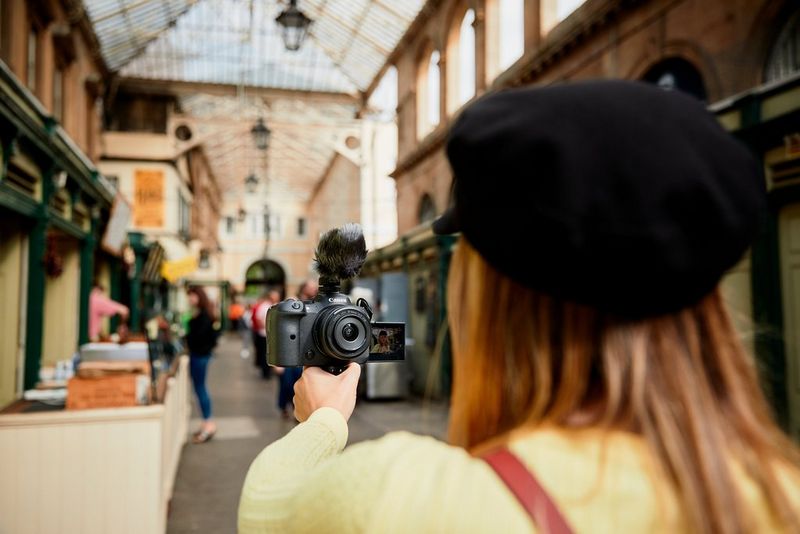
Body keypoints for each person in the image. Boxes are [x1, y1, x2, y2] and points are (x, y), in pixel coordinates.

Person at [238, 81, 800, 533]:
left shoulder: (412, 498)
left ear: (493, 295)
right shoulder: (782, 492)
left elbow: (265, 506)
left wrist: (324, 421)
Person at [273, 281, 319, 419]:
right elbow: (279, 332)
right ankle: (284, 408)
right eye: (311, 286)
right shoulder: (292, 301)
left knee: (301, 383)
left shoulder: (316, 303)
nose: (314, 288)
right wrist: (277, 361)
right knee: (286, 384)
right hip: (290, 350)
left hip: (306, 351)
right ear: (304, 288)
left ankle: (296, 409)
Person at [185, 286, 218, 444]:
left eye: (192, 295)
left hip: (199, 356)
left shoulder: (203, 316)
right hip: (200, 355)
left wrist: (187, 337)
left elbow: (198, 338)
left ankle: (208, 424)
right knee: (200, 388)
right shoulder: (203, 314)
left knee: (200, 388)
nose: (190, 299)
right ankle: (206, 422)